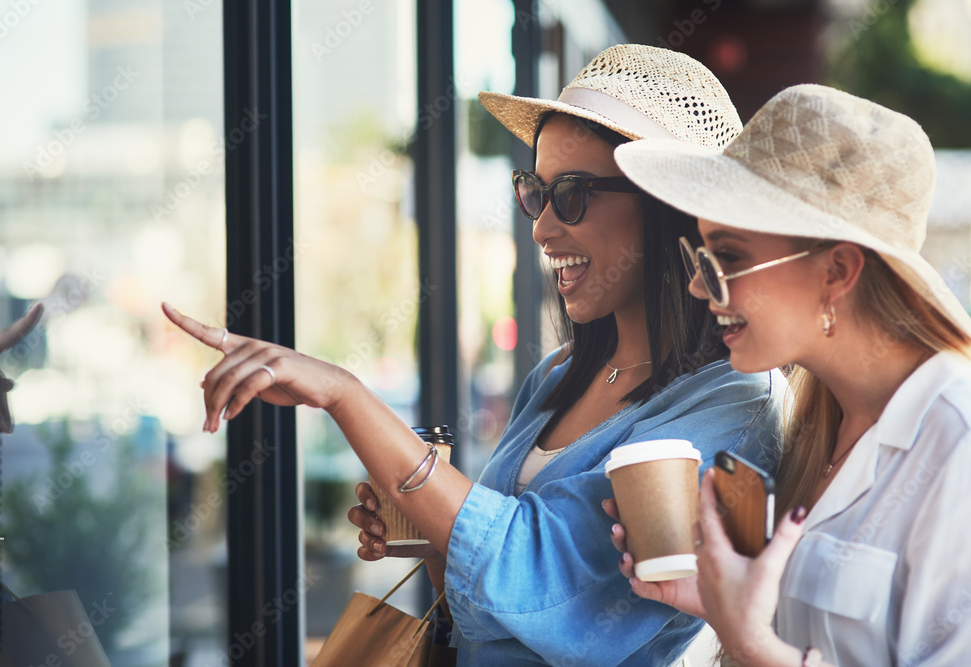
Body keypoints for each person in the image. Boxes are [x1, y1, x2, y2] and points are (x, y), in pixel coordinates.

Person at [163, 45, 786, 665]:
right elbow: (484, 618)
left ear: (664, 204)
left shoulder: (735, 404)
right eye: (535, 193)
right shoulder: (557, 378)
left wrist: (344, 395)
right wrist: (432, 535)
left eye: (571, 194)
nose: (541, 228)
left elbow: (540, 579)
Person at [610, 83, 971, 666]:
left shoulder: (957, 441)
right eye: (699, 257)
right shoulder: (815, 426)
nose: (699, 287)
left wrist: (752, 642)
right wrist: (717, 602)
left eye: (726, 257)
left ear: (837, 271)